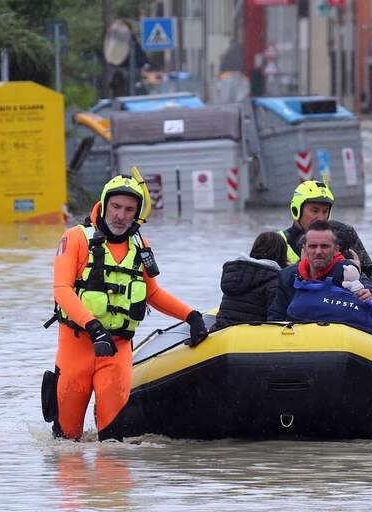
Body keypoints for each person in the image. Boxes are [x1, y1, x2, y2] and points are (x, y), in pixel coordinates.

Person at [43, 172, 208, 440]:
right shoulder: (74, 238)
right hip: (77, 346)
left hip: (117, 350)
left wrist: (191, 316)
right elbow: (62, 289)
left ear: (137, 214)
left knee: (113, 443)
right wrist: (94, 327)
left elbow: (153, 293)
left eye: (129, 210)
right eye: (116, 207)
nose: (120, 215)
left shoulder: (141, 246)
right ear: (104, 204)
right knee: (67, 441)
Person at [268, 221, 372, 336]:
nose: (318, 251)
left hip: (339, 340)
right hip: (297, 339)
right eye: (313, 246)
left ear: (336, 249)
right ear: (304, 249)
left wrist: (369, 294)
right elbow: (276, 318)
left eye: (324, 246)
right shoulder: (287, 276)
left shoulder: (347, 270)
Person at [280, 180, 372, 283]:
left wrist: (358, 274)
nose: (321, 218)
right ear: (296, 210)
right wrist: (300, 268)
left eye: (325, 211)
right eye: (315, 211)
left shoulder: (345, 234)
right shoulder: (279, 242)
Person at [215, 231, 287, 328]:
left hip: (221, 330)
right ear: (281, 254)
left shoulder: (235, 274)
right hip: (251, 334)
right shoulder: (275, 280)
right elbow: (275, 319)